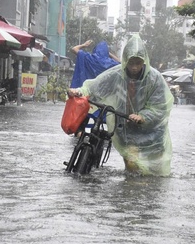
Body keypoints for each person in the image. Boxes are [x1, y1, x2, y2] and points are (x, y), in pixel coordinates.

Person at [68, 34, 174, 176]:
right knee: (131, 164)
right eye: (131, 63)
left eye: (138, 63)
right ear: (125, 61)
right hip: (126, 125)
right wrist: (79, 91)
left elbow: (160, 106)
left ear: (144, 61)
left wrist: (143, 117)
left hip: (152, 130)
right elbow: (95, 85)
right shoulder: (117, 74)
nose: (135, 67)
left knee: (155, 169)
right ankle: (131, 190)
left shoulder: (155, 78)